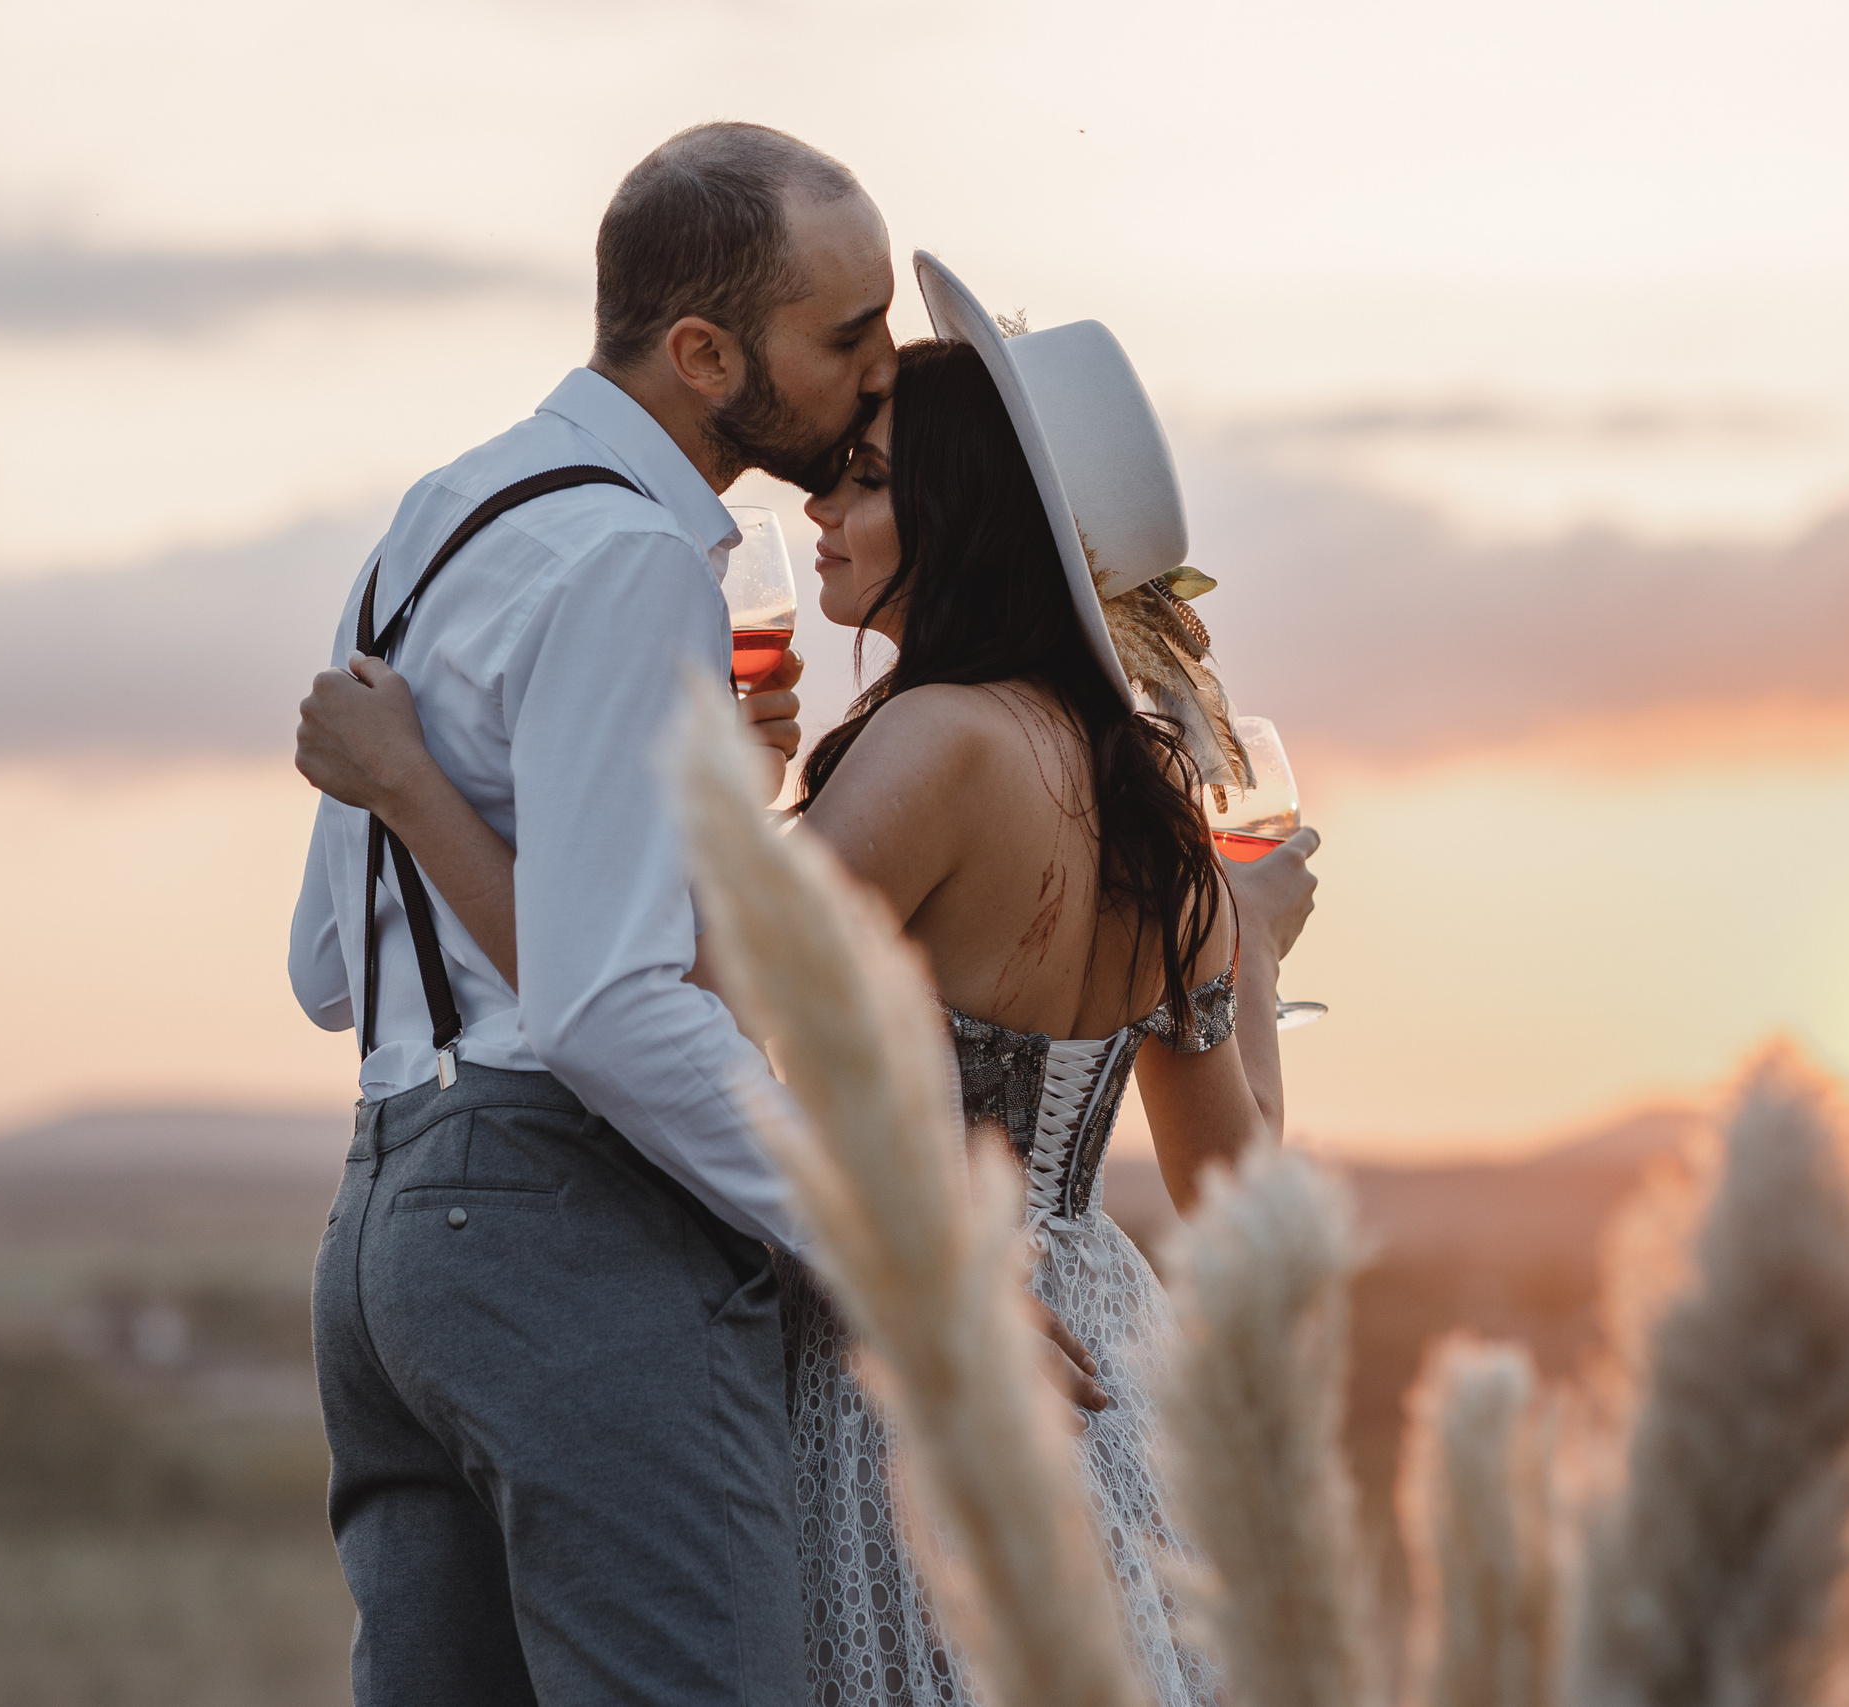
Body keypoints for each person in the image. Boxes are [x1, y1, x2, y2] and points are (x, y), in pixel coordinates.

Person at [294, 251, 1322, 1707]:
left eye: (868, 482)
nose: (817, 508)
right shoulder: (1151, 806)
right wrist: (1255, 948)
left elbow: (644, 994)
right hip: (1095, 1341)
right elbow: (1233, 1185)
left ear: (974, 523)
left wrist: (413, 792)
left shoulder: (937, 745)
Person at [286, 122, 897, 1707]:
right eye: (845, 334)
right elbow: (609, 1007)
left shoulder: (435, 519)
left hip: (385, 1235)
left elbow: (327, 969)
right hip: (575, 1239)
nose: (879, 368)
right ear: (705, 353)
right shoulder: (636, 563)